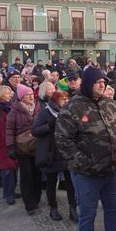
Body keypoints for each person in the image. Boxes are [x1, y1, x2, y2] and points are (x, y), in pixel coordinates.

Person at [55, 67, 116, 231]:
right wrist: (84, 163)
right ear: (88, 83)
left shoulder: (112, 105)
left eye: (104, 82)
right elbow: (63, 141)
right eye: (98, 81)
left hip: (112, 171)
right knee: (87, 216)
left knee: (112, 213)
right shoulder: (72, 108)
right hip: (86, 175)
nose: (102, 85)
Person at [32, 90, 77, 222]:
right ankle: (53, 208)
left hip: (66, 152)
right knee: (51, 183)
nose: (66, 102)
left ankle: (73, 209)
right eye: (63, 99)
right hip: (51, 153)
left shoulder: (68, 113)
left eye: (67, 99)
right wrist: (49, 126)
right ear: (56, 101)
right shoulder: (46, 112)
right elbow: (35, 130)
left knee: (71, 183)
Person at [7, 84, 42, 215]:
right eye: (27, 95)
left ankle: (36, 198)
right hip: (22, 147)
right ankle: (29, 203)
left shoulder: (39, 108)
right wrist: (10, 146)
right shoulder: (14, 111)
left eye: (32, 94)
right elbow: (9, 130)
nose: (31, 97)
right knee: (26, 174)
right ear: (21, 97)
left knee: (37, 173)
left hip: (37, 145)